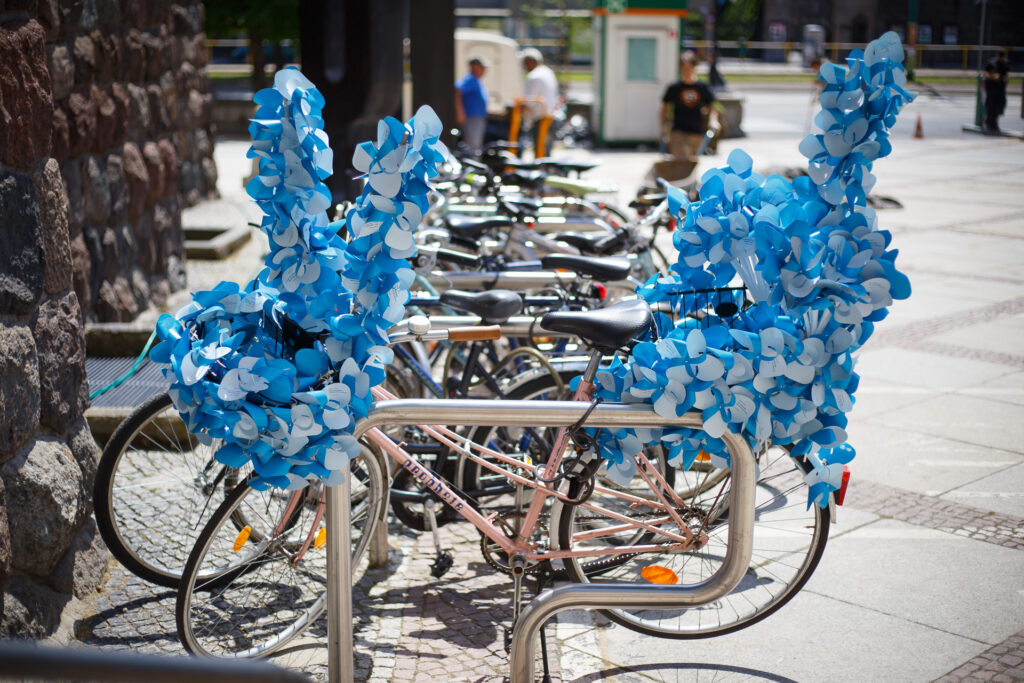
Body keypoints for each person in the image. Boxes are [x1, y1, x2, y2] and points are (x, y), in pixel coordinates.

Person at [651, 50, 720, 182]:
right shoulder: (674, 87)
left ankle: (687, 188)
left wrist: (713, 120)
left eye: (689, 67)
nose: (686, 70)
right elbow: (664, 108)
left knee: (692, 164)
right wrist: (663, 127)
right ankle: (680, 188)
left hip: (696, 132)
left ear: (694, 67)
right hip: (678, 132)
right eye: (683, 67)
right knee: (682, 161)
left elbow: (712, 107)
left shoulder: (702, 87)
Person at [519, 47, 559, 157]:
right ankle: (545, 169)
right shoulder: (547, 72)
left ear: (530, 62)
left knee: (540, 150)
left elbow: (528, 101)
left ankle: (541, 170)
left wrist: (520, 115)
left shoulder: (534, 76)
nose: (524, 67)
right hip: (550, 115)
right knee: (545, 149)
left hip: (540, 118)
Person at [455, 56, 489, 155]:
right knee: (472, 146)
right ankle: (472, 169)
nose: (484, 70)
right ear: (474, 66)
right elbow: (458, 92)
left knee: (476, 145)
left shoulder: (476, 80)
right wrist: (460, 112)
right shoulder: (470, 79)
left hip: (477, 118)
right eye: (481, 67)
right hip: (471, 118)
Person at [983, 50, 1009, 133]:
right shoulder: (992, 63)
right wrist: (993, 76)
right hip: (991, 88)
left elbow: (1005, 75)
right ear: (996, 55)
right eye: (999, 57)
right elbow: (986, 73)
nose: (1000, 59)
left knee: (1001, 104)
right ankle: (990, 123)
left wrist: (1004, 78)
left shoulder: (1004, 63)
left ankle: (994, 122)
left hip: (1000, 88)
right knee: (991, 106)